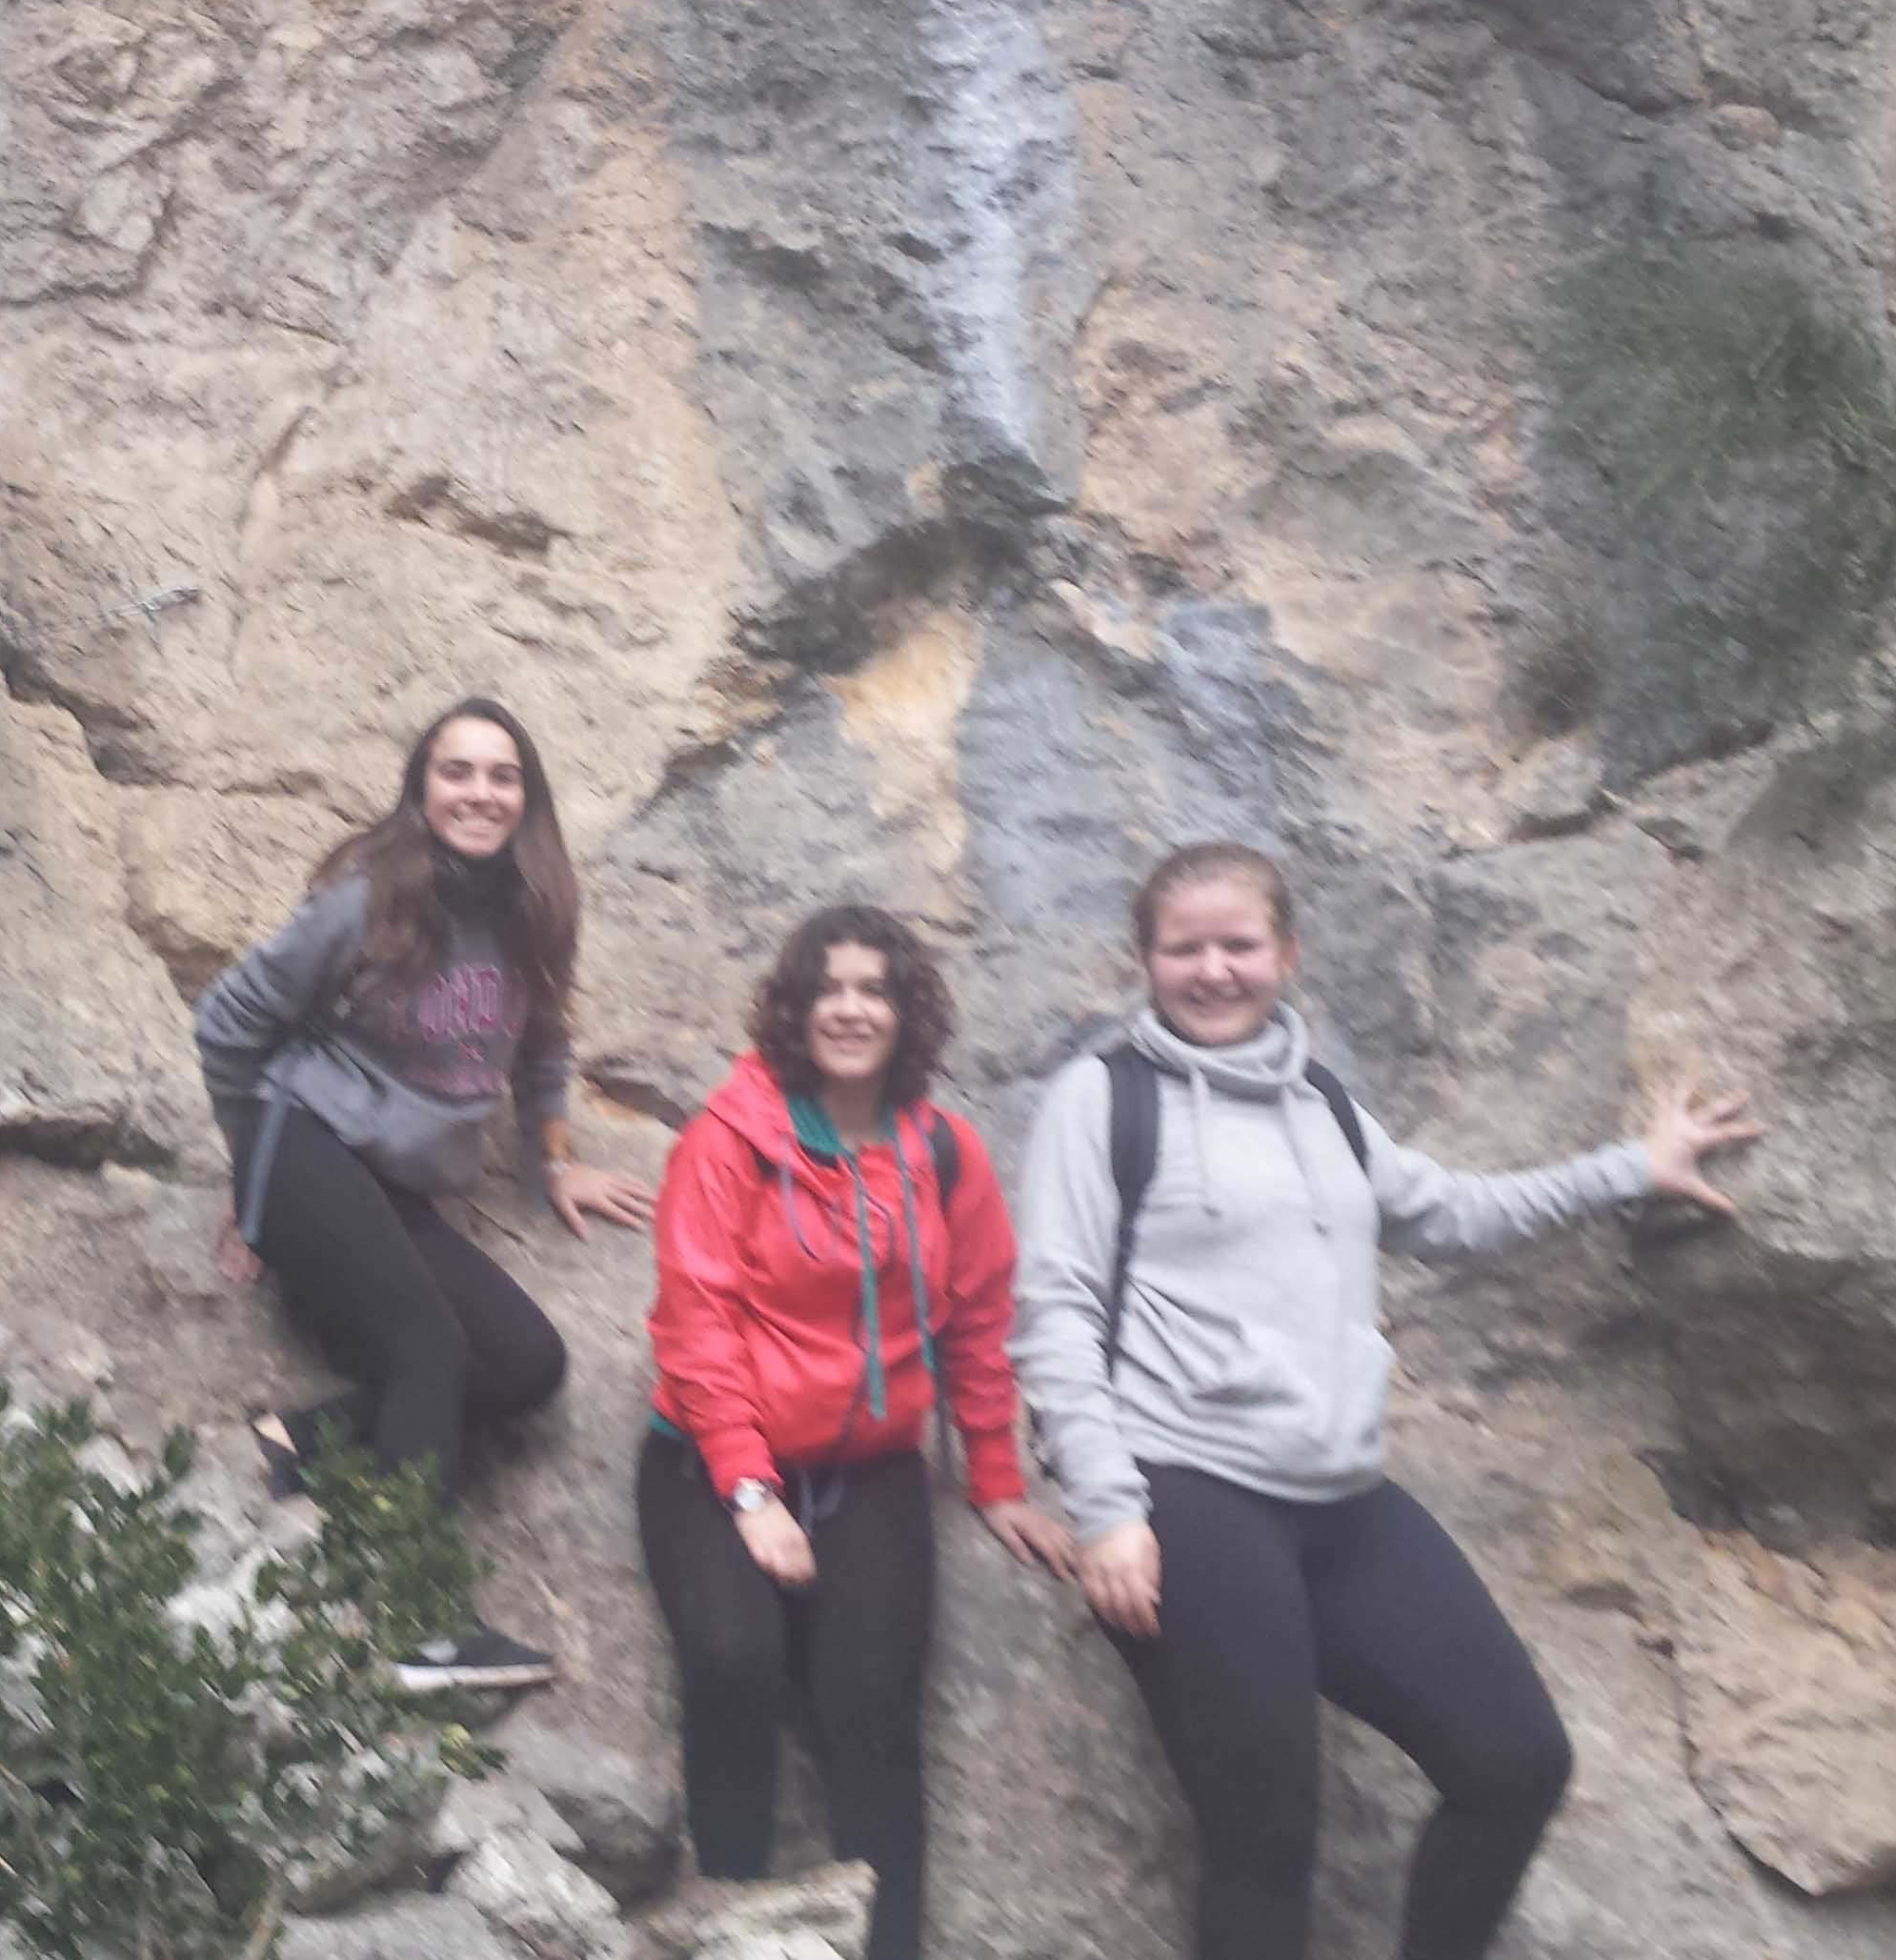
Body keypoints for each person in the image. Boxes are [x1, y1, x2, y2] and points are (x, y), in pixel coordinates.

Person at [1011, 841, 1759, 1960]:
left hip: (1341, 1494)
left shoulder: (1321, 1101)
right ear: (1145, 959)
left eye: (1239, 945)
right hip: (1188, 1488)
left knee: (1515, 1763)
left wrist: (1630, 1169)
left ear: (1288, 954)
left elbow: (1453, 1213)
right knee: (1265, 1834)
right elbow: (1055, 1309)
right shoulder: (1103, 1098)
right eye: (1184, 949)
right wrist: (1109, 1509)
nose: (1213, 970)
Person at [641, 904, 1077, 1960]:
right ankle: (735, 1931)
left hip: (871, 1467)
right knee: (736, 1661)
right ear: (795, 1008)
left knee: (872, 1706)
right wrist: (751, 1493)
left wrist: (996, 1477)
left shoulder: (944, 1152)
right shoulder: (730, 1139)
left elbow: (978, 1318)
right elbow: (696, 1323)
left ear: (905, 1011)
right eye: (828, 988)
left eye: (874, 990)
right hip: (712, 1457)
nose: (850, 1009)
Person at [193, 697, 656, 1691]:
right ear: (421, 789)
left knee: (527, 1363)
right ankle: (422, 1625)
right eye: (457, 772)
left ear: (527, 798)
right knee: (428, 1347)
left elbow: (544, 1042)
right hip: (301, 1140)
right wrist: (249, 1175)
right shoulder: (365, 900)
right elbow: (228, 1021)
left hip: (394, 1187)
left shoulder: (534, 910)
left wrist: (554, 1156)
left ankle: (299, 1441)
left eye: (502, 776)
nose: (479, 793)